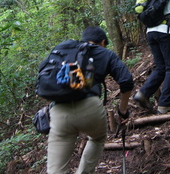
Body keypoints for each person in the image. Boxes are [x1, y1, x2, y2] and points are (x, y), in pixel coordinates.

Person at [47, 26, 134, 174]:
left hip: (59, 111)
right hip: (90, 108)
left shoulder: (64, 52)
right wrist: (123, 110)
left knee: (56, 170)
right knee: (97, 138)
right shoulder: (105, 53)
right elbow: (126, 81)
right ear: (102, 42)